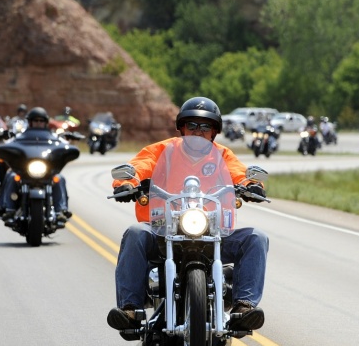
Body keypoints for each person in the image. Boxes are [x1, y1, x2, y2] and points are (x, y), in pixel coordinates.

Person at [106, 96, 269, 338]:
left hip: (212, 232)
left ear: (214, 131)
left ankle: (243, 307)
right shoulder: (163, 150)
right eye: (192, 125)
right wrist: (127, 182)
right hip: (164, 230)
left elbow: (239, 173)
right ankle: (130, 309)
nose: (198, 131)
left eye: (205, 126)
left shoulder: (222, 155)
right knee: (135, 233)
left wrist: (251, 185)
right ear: (181, 128)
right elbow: (140, 165)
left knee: (256, 237)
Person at [0, 107, 71, 226]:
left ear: (45, 123)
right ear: (30, 122)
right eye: (36, 121)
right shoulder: (20, 136)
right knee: (11, 175)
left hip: (46, 171)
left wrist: (70, 141)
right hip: (25, 170)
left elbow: (64, 144)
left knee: (59, 178)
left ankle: (60, 211)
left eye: (41, 121)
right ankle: (8, 209)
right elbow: (10, 143)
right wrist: (3, 140)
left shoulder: (53, 137)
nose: (38, 123)